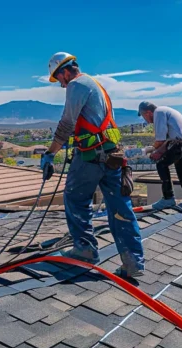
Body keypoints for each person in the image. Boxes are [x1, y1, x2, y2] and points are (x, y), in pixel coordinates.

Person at [39, 52, 145, 279]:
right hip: (112, 155)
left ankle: (85, 250)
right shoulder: (97, 85)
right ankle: (133, 261)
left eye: (59, 79)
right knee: (120, 207)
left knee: (75, 198)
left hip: (91, 156)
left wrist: (50, 154)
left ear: (66, 71)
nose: (61, 84)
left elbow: (66, 123)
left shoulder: (76, 85)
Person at [139, 101, 182, 210]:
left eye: (143, 116)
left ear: (148, 113)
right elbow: (168, 140)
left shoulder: (158, 113)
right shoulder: (168, 111)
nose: (145, 120)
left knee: (161, 165)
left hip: (179, 145)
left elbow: (160, 140)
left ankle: (168, 198)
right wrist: (157, 151)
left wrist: (151, 149)